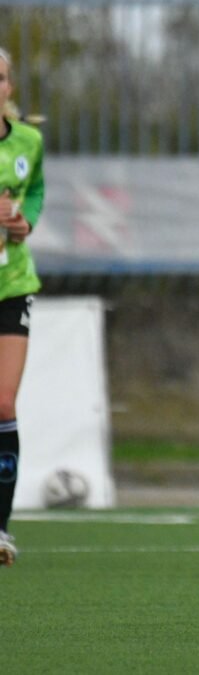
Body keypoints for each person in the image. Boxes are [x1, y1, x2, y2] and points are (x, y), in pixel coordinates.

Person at [0, 47, 46, 568]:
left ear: (9, 88)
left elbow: (34, 191)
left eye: (1, 78)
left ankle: (2, 529)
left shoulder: (29, 141)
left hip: (12, 283)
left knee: (5, 403)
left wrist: (23, 222)